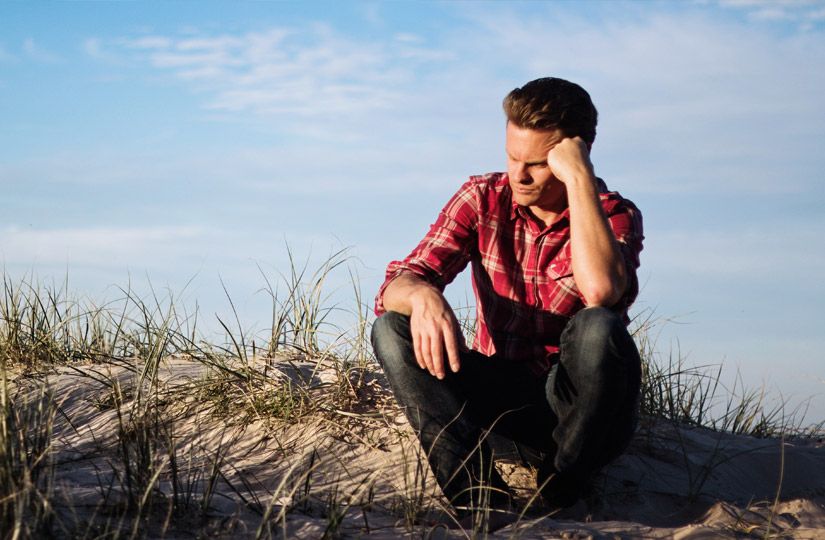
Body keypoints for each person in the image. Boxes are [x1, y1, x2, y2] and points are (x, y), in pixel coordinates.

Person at [371, 77, 644, 522]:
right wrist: (421, 295)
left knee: (599, 327)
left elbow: (601, 292)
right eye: (512, 157)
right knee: (390, 328)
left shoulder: (614, 213)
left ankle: (562, 489)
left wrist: (580, 180)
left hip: (585, 414)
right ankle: (480, 501)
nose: (519, 174)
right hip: (504, 398)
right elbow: (396, 284)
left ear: (576, 154)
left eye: (536, 164)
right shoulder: (483, 197)